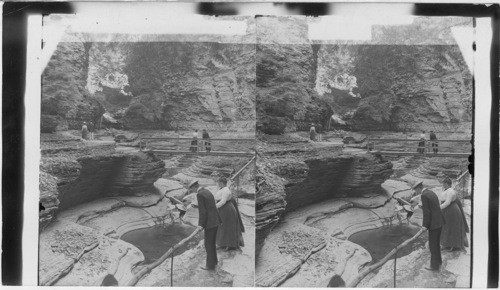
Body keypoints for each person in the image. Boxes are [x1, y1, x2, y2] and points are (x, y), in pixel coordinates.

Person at [412, 181, 445, 271]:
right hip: (440, 222)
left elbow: (427, 212)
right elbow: (434, 207)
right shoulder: (431, 192)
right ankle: (439, 262)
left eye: (415, 190)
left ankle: (434, 266)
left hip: (434, 224)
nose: (416, 192)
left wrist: (424, 226)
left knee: (432, 245)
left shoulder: (424, 195)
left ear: (419, 188)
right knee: (437, 243)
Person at [189, 180, 221, 271]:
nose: (192, 191)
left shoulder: (199, 194)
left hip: (210, 223)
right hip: (216, 221)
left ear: (195, 187)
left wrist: (200, 225)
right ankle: (214, 262)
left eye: (192, 189)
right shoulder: (207, 191)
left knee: (208, 244)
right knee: (212, 243)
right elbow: (210, 206)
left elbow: (203, 211)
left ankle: (210, 266)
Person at [213, 177, 245, 251]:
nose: (218, 183)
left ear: (221, 182)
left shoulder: (226, 190)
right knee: (222, 227)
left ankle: (230, 245)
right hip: (222, 209)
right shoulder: (221, 189)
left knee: (228, 227)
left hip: (227, 209)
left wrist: (214, 207)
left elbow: (223, 201)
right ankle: (222, 243)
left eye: (218, 182)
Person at [439, 178, 469, 251]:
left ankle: (453, 245)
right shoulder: (446, 190)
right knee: (446, 227)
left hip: (452, 210)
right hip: (447, 210)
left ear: (447, 183)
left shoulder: (451, 191)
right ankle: (446, 244)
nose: (443, 185)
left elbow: (447, 202)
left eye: (444, 183)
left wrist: (438, 208)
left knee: (451, 227)